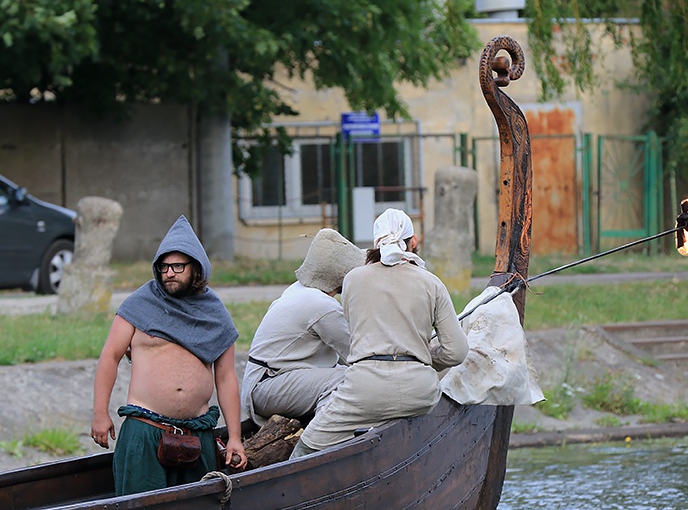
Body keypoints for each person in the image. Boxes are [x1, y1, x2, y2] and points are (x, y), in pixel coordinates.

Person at [291, 208, 469, 457]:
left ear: (375, 243)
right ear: (413, 241)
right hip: (420, 392)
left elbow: (356, 335)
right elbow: (457, 352)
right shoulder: (431, 283)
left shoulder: (353, 279)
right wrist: (422, 355)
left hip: (365, 391)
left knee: (306, 447)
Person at [91, 215, 247, 495]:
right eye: (164, 267)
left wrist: (234, 436)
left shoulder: (214, 313)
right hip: (144, 433)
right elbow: (109, 358)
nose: (169, 273)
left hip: (196, 436)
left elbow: (225, 378)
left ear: (196, 269)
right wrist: (100, 413)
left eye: (177, 266)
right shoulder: (139, 305)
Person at [241, 228, 364, 427]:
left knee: (343, 373)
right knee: (347, 379)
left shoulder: (298, 289)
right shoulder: (322, 305)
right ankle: (322, 437)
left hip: (265, 382)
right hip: (268, 386)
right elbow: (357, 352)